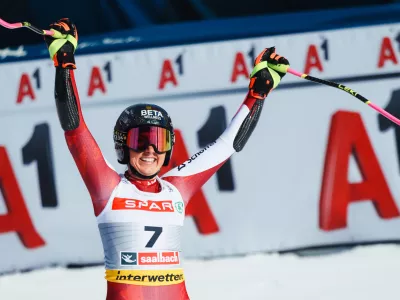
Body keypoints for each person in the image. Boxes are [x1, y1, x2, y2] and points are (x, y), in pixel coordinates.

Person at [44, 18, 289, 300]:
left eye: (159, 142)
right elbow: (75, 131)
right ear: (124, 146)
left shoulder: (176, 189)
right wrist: (64, 65)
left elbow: (229, 143)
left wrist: (258, 93)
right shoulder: (108, 188)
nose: (151, 150)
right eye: (141, 141)